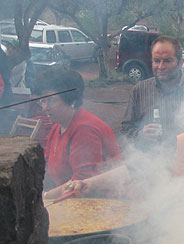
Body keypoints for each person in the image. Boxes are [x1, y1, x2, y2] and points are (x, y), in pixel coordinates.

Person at [36, 67, 121, 199]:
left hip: (103, 203)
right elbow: (47, 167)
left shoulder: (85, 130)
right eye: (43, 101)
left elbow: (81, 185)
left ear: (72, 101)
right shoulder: (57, 127)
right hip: (72, 202)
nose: (45, 107)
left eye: (51, 100)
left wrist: (45, 196)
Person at [120, 35, 184, 150]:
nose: (161, 67)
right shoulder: (140, 90)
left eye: (167, 61)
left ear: (180, 62)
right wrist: (140, 134)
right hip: (152, 162)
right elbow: (126, 129)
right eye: (156, 61)